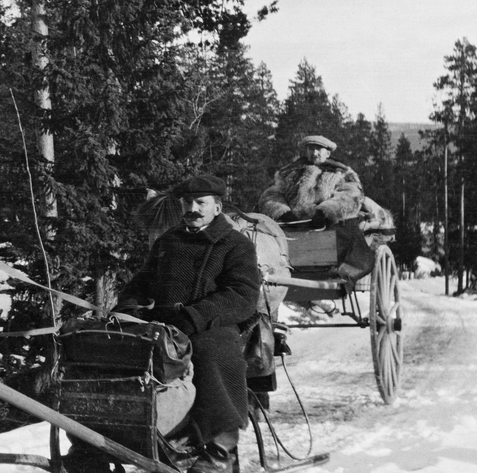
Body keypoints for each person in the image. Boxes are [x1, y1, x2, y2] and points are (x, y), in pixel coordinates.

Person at [116, 175, 260, 473]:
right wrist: (128, 306)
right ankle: (122, 436)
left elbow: (242, 294)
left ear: (217, 207)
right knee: (118, 350)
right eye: (187, 202)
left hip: (213, 323)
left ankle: (221, 451)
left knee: (211, 355)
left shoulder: (235, 244)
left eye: (201, 203)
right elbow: (142, 282)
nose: (192, 208)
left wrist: (195, 315)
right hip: (166, 322)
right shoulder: (168, 241)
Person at [258, 135, 363, 228]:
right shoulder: (289, 172)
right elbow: (271, 195)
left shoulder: (341, 173)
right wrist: (283, 213)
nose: (314, 153)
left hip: (327, 226)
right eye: (311, 149)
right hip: (291, 225)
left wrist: (324, 213)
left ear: (328, 153)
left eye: (318, 149)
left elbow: (350, 196)